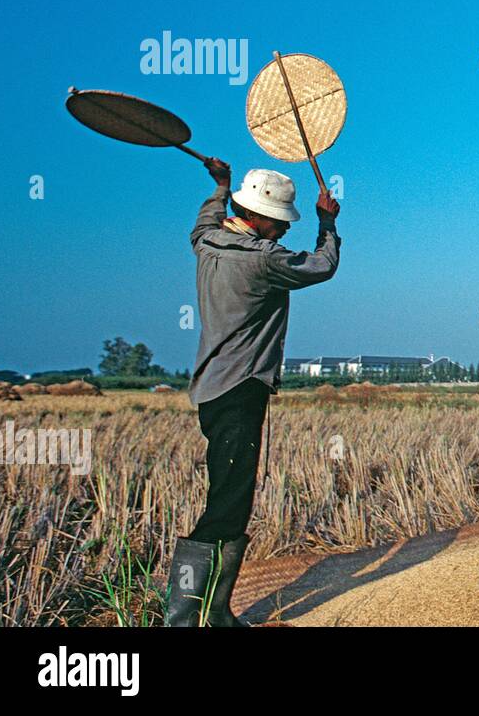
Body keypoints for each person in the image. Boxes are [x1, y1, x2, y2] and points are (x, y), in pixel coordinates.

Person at [164, 158, 340, 626]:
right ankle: (185, 618)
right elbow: (322, 266)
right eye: (278, 222)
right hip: (241, 391)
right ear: (257, 216)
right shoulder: (263, 259)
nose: (281, 231)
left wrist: (219, 188)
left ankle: (215, 611)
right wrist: (327, 223)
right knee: (226, 507)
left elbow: (201, 223)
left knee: (230, 498)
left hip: (210, 389)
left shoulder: (208, 244)